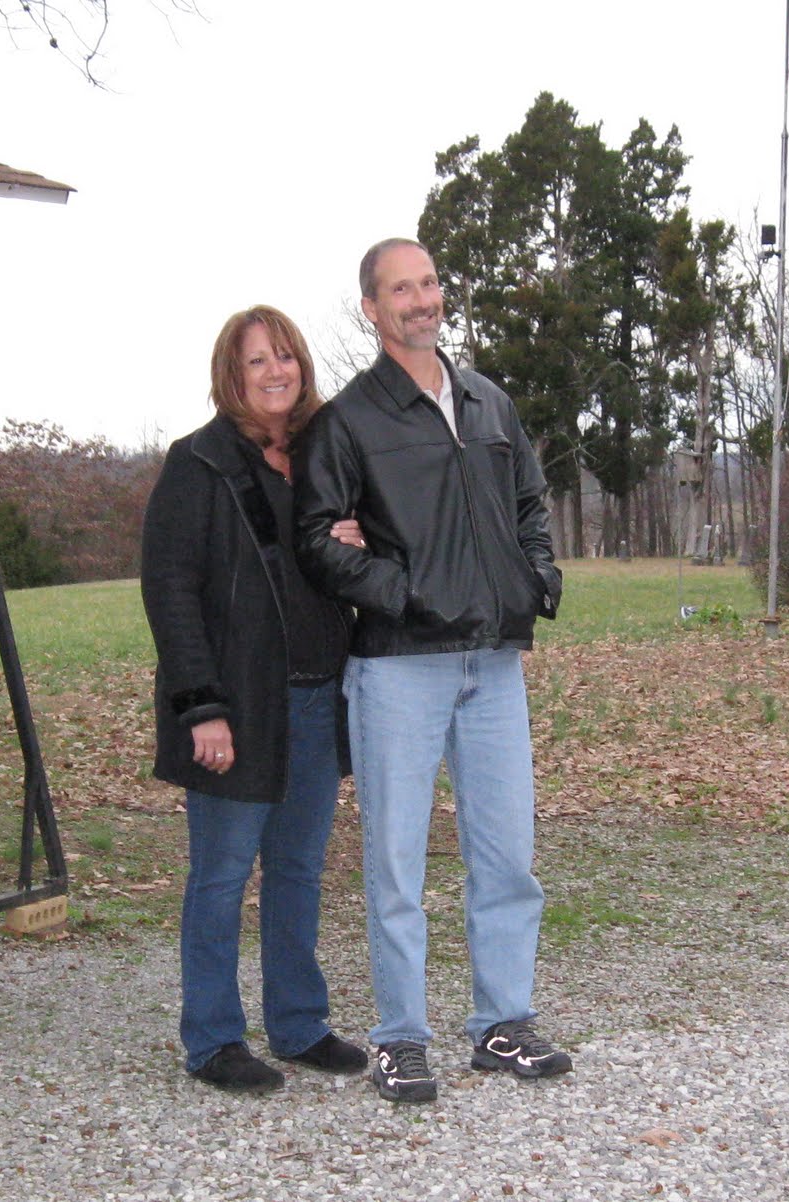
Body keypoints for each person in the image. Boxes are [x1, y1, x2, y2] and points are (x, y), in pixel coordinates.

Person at [294, 237, 570, 1104]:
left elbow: (529, 504)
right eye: (400, 289)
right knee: (396, 865)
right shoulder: (349, 420)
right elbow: (316, 539)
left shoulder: (489, 402)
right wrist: (407, 595)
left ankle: (503, 1023)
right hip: (398, 669)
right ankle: (401, 1039)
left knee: (508, 855)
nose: (421, 300)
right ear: (371, 309)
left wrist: (537, 577)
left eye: (429, 283)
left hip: (494, 665)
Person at [141, 305, 368, 1093]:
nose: (276, 371)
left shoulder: (321, 458)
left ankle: (299, 1025)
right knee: (221, 876)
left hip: (317, 698)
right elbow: (171, 591)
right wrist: (201, 706)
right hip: (238, 707)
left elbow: (340, 564)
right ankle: (213, 1041)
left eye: (285, 356)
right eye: (257, 361)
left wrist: (355, 544)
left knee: (298, 871)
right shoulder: (198, 463)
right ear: (230, 376)